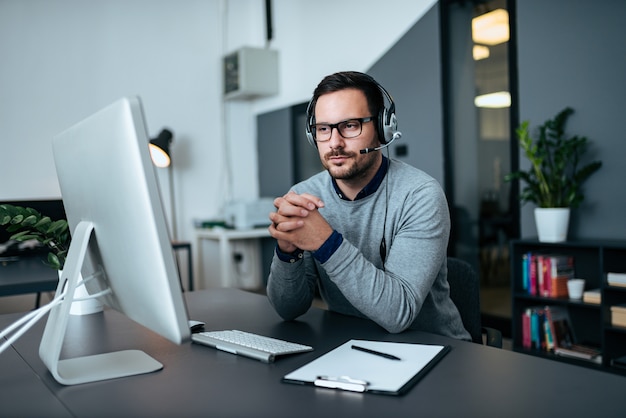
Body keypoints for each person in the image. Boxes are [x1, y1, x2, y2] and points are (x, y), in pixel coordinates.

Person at [266, 71, 470, 340]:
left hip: (435, 352)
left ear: (383, 129)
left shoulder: (420, 195)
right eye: (323, 129)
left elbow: (399, 313)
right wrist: (287, 253)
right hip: (350, 350)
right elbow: (287, 309)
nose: (335, 142)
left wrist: (324, 242)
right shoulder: (304, 195)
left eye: (350, 125)